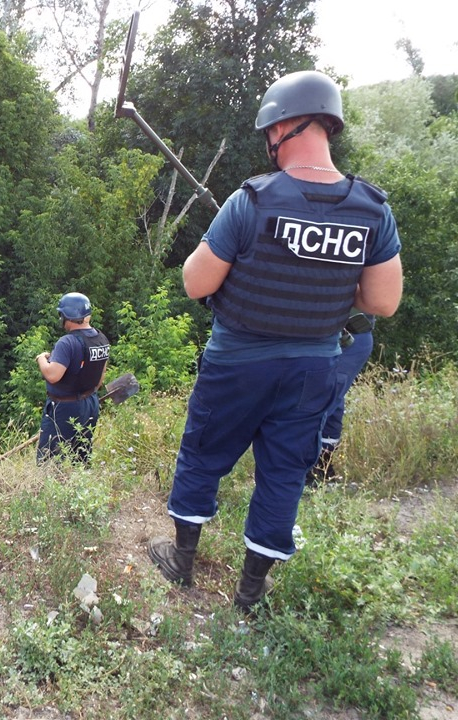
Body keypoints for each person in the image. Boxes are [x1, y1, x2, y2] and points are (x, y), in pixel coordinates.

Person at [146, 70, 403, 614]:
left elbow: (196, 283)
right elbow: (381, 302)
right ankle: (249, 595)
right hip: (313, 370)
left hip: (238, 362)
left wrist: (223, 242)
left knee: (202, 454)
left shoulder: (252, 202)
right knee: (284, 473)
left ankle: (182, 560)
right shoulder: (373, 211)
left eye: (270, 130)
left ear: (285, 125)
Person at [35, 292, 111, 464]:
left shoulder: (66, 342)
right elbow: (99, 380)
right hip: (90, 403)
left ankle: (51, 490)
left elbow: (52, 375)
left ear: (65, 316)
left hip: (65, 407)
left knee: (49, 461)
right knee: (81, 458)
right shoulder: (101, 339)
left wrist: (41, 359)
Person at [307, 311, 375, 486]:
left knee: (322, 404)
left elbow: (382, 302)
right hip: (319, 337)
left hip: (349, 336)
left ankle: (314, 472)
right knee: (330, 404)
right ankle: (319, 472)